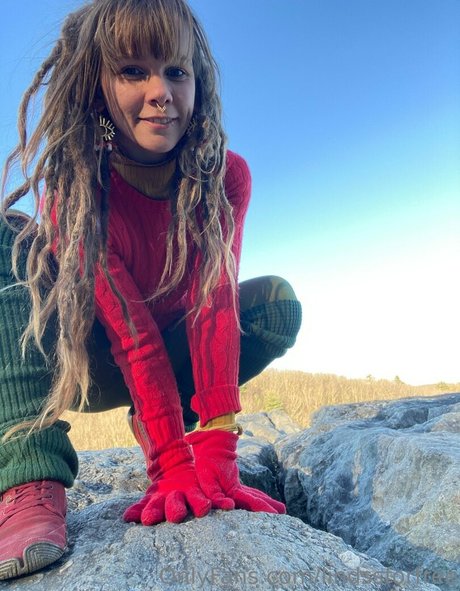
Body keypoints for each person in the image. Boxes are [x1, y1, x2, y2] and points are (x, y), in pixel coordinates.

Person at [0, 0, 302, 581]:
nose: (161, 92)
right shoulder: (77, 191)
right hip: (85, 362)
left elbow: (215, 304)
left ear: (199, 82)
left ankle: (163, 417)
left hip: (173, 345)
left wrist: (216, 445)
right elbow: (130, 332)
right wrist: (168, 461)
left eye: (176, 71)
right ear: (97, 86)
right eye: (134, 71)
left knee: (277, 304)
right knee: (4, 236)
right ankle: (28, 476)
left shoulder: (224, 176)